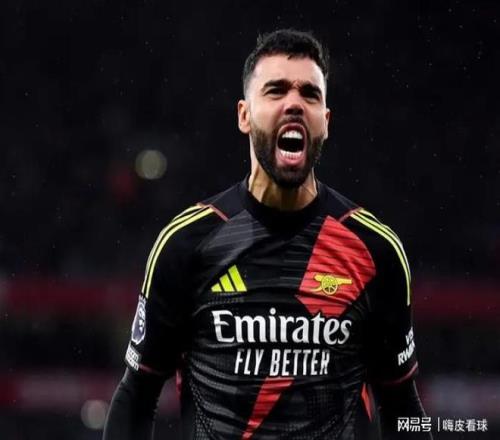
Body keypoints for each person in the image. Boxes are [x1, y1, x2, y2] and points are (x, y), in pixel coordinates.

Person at [103, 29, 431, 440]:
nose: (294, 103)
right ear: (244, 115)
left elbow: (403, 406)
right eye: (276, 90)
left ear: (326, 122)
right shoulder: (186, 244)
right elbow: (136, 395)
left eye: (310, 94)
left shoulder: (376, 250)